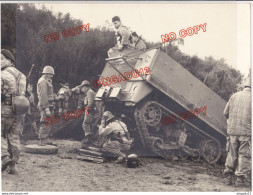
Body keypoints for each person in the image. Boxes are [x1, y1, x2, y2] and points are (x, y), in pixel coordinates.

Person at [1, 49, 29, 174]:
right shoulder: (22, 75)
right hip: (19, 111)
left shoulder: (2, 75)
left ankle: (4, 157)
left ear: (10, 61)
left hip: (4, 109)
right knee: (14, 137)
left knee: (1, 135)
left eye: (1, 59)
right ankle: (13, 166)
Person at [223, 77, 251, 188]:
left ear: (244, 86)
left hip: (233, 131)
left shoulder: (234, 96)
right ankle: (240, 180)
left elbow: (225, 113)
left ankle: (228, 178)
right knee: (244, 155)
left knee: (231, 154)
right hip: (246, 132)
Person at [37, 65, 55, 144]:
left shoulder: (46, 81)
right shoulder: (43, 82)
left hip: (48, 104)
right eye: (51, 74)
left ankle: (46, 138)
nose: (52, 76)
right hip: (45, 105)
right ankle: (43, 140)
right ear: (46, 74)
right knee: (45, 121)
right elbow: (43, 96)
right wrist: (47, 108)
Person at [77, 80, 97, 148]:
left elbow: (90, 103)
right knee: (88, 124)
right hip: (89, 110)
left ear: (85, 87)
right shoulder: (88, 93)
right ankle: (88, 139)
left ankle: (89, 139)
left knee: (86, 124)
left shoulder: (90, 92)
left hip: (90, 110)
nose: (82, 90)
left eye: (82, 88)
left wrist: (86, 110)